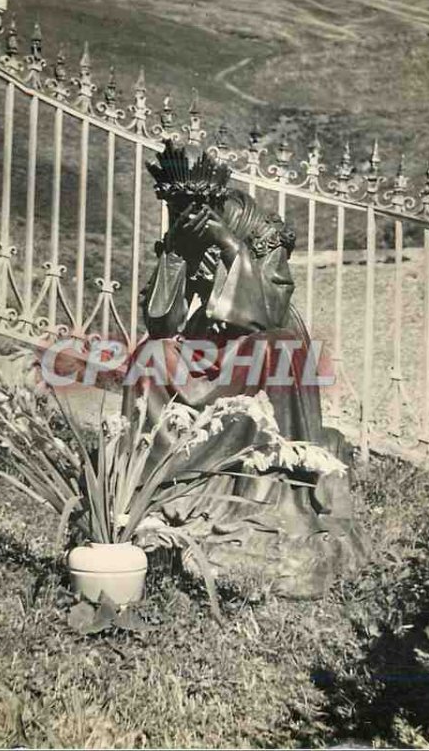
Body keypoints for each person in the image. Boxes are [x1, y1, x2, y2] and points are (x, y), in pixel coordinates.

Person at [123, 140, 366, 598]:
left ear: (213, 200)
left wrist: (230, 244)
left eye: (193, 207)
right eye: (176, 208)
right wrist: (174, 256)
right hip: (207, 343)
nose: (185, 215)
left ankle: (253, 487)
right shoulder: (181, 234)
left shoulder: (259, 228)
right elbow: (161, 323)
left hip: (261, 339)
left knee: (268, 351)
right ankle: (164, 482)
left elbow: (271, 311)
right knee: (150, 357)